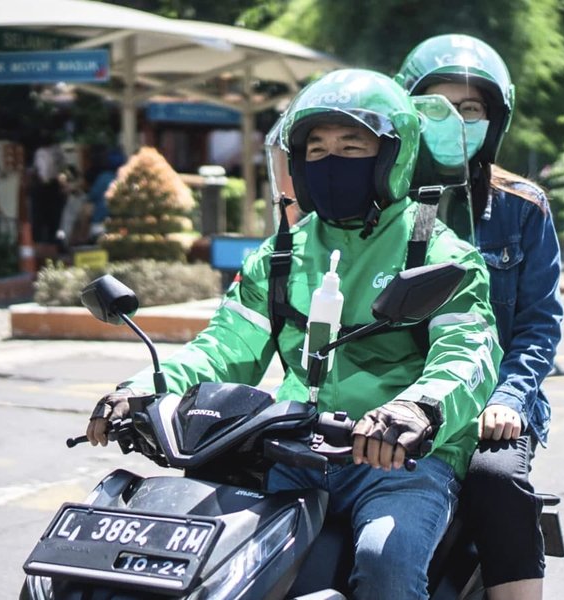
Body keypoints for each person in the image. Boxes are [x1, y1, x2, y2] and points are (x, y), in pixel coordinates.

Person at [86, 68, 503, 600]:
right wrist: (143, 387)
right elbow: (225, 347)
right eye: (317, 150)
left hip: (400, 462)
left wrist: (416, 410)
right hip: (292, 452)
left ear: (394, 157)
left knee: (384, 562)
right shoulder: (279, 257)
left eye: (353, 146)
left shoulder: (442, 255)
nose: (332, 162)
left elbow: (467, 355)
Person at [396, 34, 564, 600]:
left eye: (471, 110)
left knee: (496, 483)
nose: (455, 121)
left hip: (491, 403)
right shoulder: (381, 205)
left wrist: (508, 400)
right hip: (394, 398)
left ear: (494, 121)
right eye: (436, 107)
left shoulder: (522, 207)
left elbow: (539, 323)